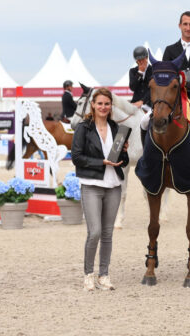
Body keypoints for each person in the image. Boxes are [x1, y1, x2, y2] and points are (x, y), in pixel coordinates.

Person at [71, 88, 129, 291]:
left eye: (107, 103)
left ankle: (104, 275)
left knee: (107, 234)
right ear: (93, 105)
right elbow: (76, 157)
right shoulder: (83, 128)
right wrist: (101, 162)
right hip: (91, 185)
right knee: (94, 232)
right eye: (100, 103)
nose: (104, 107)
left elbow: (123, 162)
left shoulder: (116, 127)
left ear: (111, 106)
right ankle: (88, 274)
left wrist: (125, 152)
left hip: (113, 186)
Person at [140, 11, 190, 150]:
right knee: (144, 121)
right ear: (180, 25)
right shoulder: (170, 50)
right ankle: (146, 156)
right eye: (185, 24)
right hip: (173, 100)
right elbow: (162, 79)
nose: (188, 28)